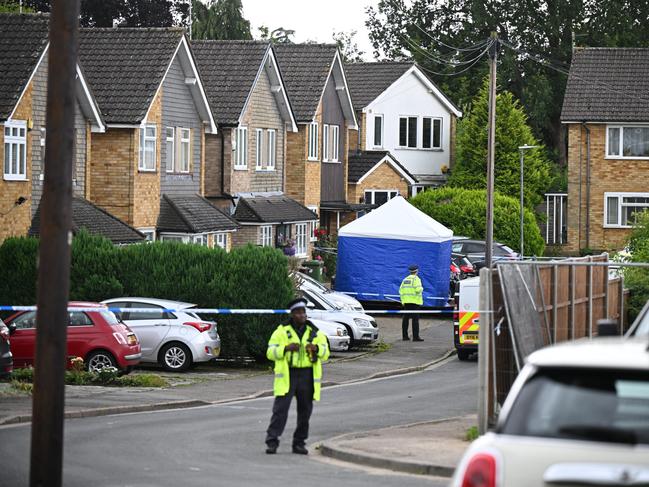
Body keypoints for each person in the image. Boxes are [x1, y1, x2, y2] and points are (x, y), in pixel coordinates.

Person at [265, 297, 330, 455]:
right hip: (288, 374)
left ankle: (299, 443)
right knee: (280, 411)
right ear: (293, 314)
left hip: (307, 376)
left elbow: (326, 353)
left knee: (305, 412)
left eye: (304, 312)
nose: (302, 315)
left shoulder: (314, 332)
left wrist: (316, 348)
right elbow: (269, 352)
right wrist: (285, 349)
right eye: (299, 313)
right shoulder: (281, 331)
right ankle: (272, 442)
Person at [400, 264, 424, 342]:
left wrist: (403, 301)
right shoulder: (416, 279)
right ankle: (415, 337)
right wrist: (421, 288)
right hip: (415, 302)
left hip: (406, 302)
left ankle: (405, 336)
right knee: (415, 320)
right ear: (417, 271)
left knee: (405, 319)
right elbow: (418, 290)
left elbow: (401, 291)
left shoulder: (405, 279)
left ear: (410, 271)